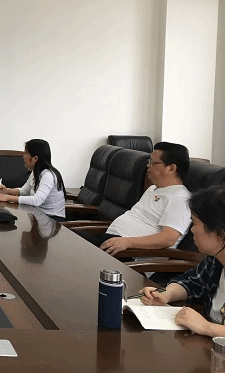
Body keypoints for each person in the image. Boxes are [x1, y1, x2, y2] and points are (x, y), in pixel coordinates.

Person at [139, 185, 225, 337]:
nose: (191, 230)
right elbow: (191, 283)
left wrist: (206, 327)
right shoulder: (215, 261)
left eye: (195, 223)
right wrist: (166, 294)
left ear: (219, 232)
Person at [78, 142, 191, 255]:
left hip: (130, 252)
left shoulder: (180, 198)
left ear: (171, 168)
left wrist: (127, 242)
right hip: (113, 241)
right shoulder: (152, 189)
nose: (148, 166)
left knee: (72, 242)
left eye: (153, 163)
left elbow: (168, 239)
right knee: (70, 237)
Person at [0, 139, 66, 220]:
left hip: (52, 219)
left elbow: (37, 200)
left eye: (26, 153)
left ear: (35, 158)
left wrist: (7, 198)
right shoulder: (35, 172)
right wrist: (6, 191)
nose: (23, 156)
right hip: (37, 214)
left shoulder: (48, 175)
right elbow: (24, 191)